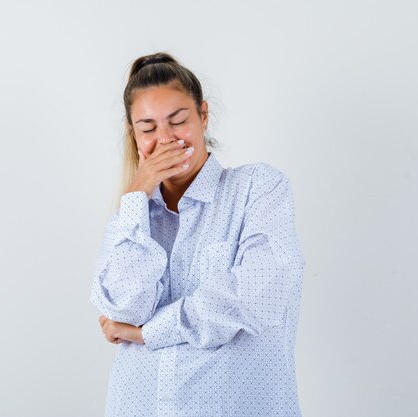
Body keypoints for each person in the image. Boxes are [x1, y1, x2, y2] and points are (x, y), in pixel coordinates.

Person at [89, 52, 306, 417]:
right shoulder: (131, 217)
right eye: (148, 129)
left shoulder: (258, 189)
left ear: (203, 115)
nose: (166, 139)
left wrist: (146, 334)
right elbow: (123, 310)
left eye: (178, 121)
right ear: (133, 134)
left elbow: (256, 297)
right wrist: (137, 194)